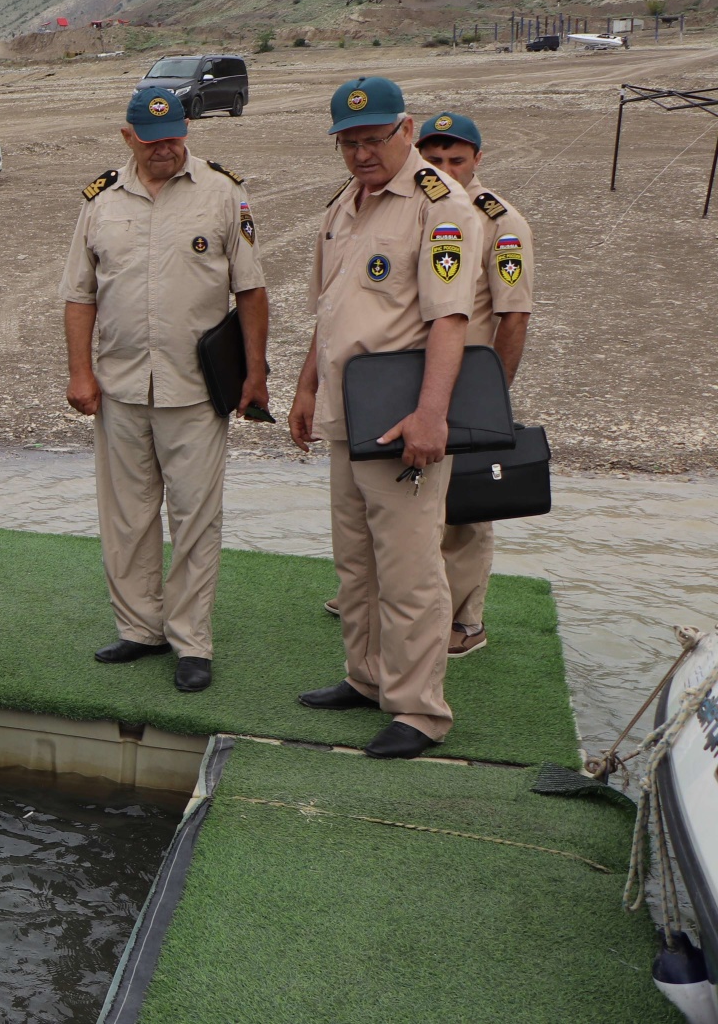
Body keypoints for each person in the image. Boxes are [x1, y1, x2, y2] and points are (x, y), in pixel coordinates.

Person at [290, 77, 483, 760]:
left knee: (408, 567)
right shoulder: (346, 202)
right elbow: (334, 309)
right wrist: (307, 385)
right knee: (356, 563)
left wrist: (432, 415)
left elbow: (450, 319)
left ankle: (420, 710)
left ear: (406, 129)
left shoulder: (441, 206)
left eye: (374, 137)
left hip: (403, 417)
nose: (362, 152)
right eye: (349, 140)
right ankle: (367, 677)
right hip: (347, 410)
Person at [60, 86, 269, 694]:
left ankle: (191, 642)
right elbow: (80, 294)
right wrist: (80, 372)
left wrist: (255, 374)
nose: (166, 150)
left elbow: (250, 291)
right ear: (128, 137)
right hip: (120, 385)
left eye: (176, 137)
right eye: (153, 141)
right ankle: (138, 629)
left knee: (195, 518)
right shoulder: (100, 201)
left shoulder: (224, 194)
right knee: (126, 517)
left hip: (198, 390)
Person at [417, 111, 534, 659]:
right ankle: (394, 596)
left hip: (468, 382)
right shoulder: (416, 207)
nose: (443, 169)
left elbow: (514, 316)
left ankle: (465, 621)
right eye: (432, 159)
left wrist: (494, 399)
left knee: (465, 506)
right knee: (409, 497)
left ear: (477, 160)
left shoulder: (501, 223)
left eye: (455, 160)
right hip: (412, 376)